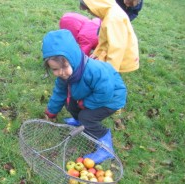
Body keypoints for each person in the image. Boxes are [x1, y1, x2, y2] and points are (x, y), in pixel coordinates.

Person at [43, 29, 127, 164]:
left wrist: (87, 104)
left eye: (64, 67)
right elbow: (59, 93)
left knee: (86, 117)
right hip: (91, 96)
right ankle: (81, 122)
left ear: (73, 59)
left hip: (111, 98)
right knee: (70, 103)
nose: (61, 73)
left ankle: (106, 146)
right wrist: (51, 111)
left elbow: (105, 92)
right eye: (55, 69)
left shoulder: (93, 70)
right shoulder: (64, 76)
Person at [79, 0, 139, 73]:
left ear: (95, 6)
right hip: (112, 55)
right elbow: (105, 40)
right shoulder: (108, 12)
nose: (89, 13)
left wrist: (110, 72)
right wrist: (97, 53)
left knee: (108, 81)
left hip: (120, 58)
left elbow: (117, 47)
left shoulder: (113, 19)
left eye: (88, 10)